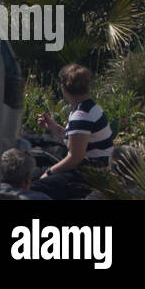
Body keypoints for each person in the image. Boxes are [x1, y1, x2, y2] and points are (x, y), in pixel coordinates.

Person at [32, 63, 114, 199]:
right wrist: (53, 127)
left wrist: (49, 173)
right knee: (31, 173)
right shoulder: (88, 107)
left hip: (90, 177)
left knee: (35, 186)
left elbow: (75, 157)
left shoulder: (82, 115)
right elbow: (73, 141)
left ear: (63, 88)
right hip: (88, 170)